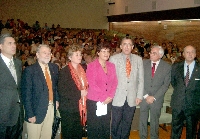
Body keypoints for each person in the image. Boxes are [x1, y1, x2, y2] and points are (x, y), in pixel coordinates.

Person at [21, 44, 59, 139]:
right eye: (44, 53)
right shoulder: (30, 71)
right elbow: (26, 94)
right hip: (35, 111)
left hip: (50, 108)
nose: (47, 55)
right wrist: (30, 114)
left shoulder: (54, 68)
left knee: (46, 136)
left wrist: (57, 99)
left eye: (49, 53)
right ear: (37, 55)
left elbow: (55, 87)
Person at [109, 37, 144, 139]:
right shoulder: (113, 59)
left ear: (132, 47)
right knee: (115, 122)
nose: (127, 46)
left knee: (127, 123)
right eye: (124, 44)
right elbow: (111, 79)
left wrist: (139, 96)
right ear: (120, 46)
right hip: (117, 97)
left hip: (132, 97)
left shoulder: (138, 59)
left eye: (129, 44)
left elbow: (140, 79)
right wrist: (110, 95)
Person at [139, 45, 171, 139]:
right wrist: (146, 95)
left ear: (160, 55)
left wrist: (154, 97)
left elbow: (165, 85)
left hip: (157, 99)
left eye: (154, 53)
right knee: (142, 120)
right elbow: (139, 81)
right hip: (144, 97)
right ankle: (142, 137)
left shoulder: (167, 67)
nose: (151, 54)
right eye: (150, 52)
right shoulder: (143, 63)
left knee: (154, 121)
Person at [86, 45, 118, 139]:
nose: (106, 53)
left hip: (107, 101)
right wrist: (104, 97)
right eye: (103, 51)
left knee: (105, 126)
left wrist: (110, 96)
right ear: (98, 53)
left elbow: (115, 82)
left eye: (108, 51)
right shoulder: (91, 66)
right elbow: (92, 83)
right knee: (94, 127)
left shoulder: (111, 66)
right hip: (95, 100)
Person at [58, 45, 88, 139]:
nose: (80, 56)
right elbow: (63, 92)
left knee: (78, 134)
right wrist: (80, 93)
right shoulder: (64, 71)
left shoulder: (82, 69)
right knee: (69, 134)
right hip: (68, 108)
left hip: (79, 107)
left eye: (80, 54)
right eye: (76, 55)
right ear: (70, 57)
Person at [171, 45, 200, 139]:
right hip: (178, 104)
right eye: (187, 52)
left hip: (193, 105)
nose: (190, 54)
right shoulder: (175, 67)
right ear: (183, 54)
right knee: (175, 130)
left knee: (191, 131)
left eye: (192, 52)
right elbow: (174, 82)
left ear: (195, 54)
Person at [0, 33, 24, 139]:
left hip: (17, 113)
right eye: (9, 43)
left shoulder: (18, 63)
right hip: (2, 114)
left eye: (14, 43)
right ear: (1, 46)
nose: (13, 46)